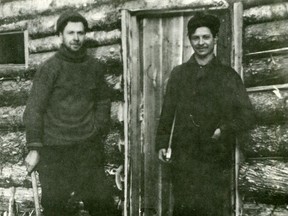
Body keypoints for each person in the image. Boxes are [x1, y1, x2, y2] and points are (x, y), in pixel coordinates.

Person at [155, 12, 255, 216]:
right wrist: (162, 143)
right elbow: (167, 111)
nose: (201, 43)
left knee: (212, 209)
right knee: (184, 207)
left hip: (215, 157)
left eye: (206, 37)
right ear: (190, 40)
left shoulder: (228, 76)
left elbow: (247, 115)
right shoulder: (179, 74)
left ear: (215, 39)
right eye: (196, 38)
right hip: (184, 156)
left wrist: (223, 130)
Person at [24, 11, 119, 216]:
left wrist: (98, 127)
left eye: (80, 33)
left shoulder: (94, 68)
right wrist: (34, 147)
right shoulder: (49, 69)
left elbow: (103, 100)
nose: (76, 38)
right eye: (70, 33)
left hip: (87, 148)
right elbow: (34, 109)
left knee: (103, 206)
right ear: (60, 36)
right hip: (55, 151)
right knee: (56, 208)